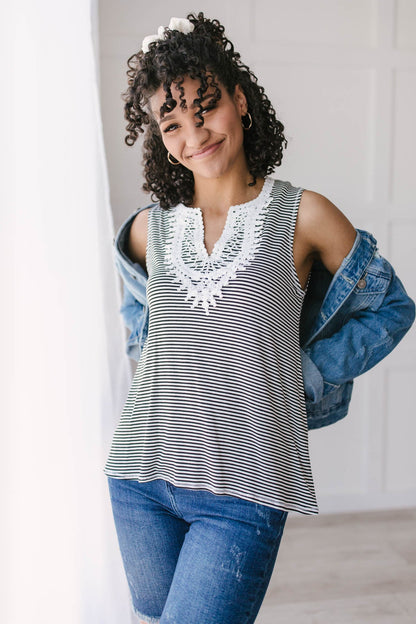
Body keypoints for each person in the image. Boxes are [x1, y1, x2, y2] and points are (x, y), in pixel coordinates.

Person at [104, 13, 415, 624]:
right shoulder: (150, 228)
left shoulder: (304, 215)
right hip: (139, 479)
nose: (194, 134)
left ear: (239, 101)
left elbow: (391, 306)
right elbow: (144, 322)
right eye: (173, 124)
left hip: (244, 491)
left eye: (206, 107)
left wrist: (302, 379)